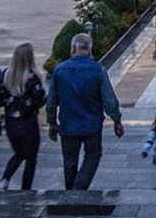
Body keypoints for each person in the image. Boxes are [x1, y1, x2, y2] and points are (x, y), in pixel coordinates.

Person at [45, 33, 125, 190]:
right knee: (93, 155)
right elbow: (109, 100)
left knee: (69, 161)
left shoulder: (60, 71)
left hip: (68, 125)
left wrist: (52, 123)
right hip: (92, 126)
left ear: (73, 48)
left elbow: (51, 101)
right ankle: (79, 188)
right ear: (90, 50)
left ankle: (71, 193)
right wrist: (117, 120)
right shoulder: (98, 70)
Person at [0, 42, 46, 190]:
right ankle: (26, 188)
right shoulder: (32, 77)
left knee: (18, 153)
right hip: (28, 122)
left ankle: (5, 179)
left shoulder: (5, 75)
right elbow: (39, 100)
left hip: (11, 122)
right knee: (31, 158)